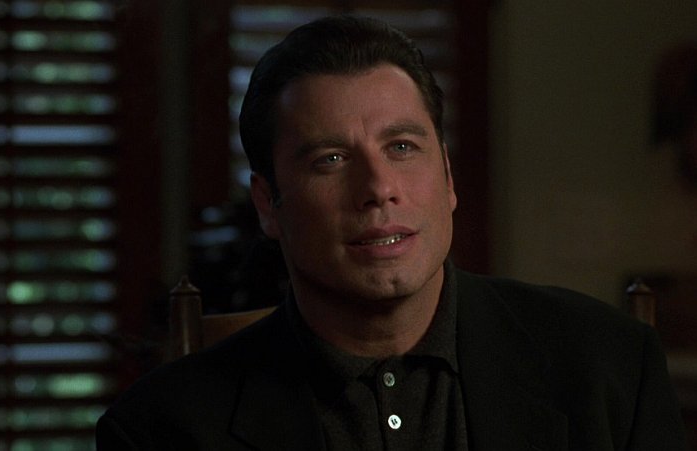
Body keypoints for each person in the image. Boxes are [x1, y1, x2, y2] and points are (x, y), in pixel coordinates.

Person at [97, 15, 687, 450]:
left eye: (402, 147)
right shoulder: (161, 429)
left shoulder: (612, 368)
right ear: (267, 205)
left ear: (447, 176)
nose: (379, 188)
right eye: (330, 160)